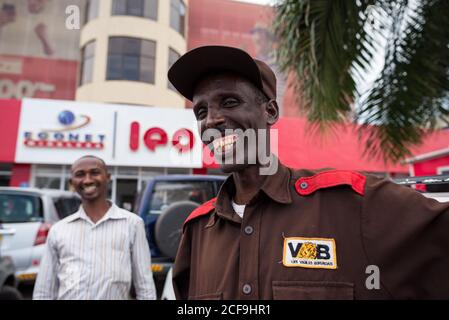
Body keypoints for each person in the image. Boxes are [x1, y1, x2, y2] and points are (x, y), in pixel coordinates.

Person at [167, 45, 449, 300]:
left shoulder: (352, 204)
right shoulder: (197, 231)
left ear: (271, 111)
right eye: (201, 112)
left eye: (229, 102)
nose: (212, 120)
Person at [33, 155, 156, 300]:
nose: (88, 180)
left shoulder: (132, 224)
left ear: (108, 177)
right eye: (80, 174)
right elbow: (43, 292)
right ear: (72, 182)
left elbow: (145, 287)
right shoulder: (59, 230)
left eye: (95, 173)